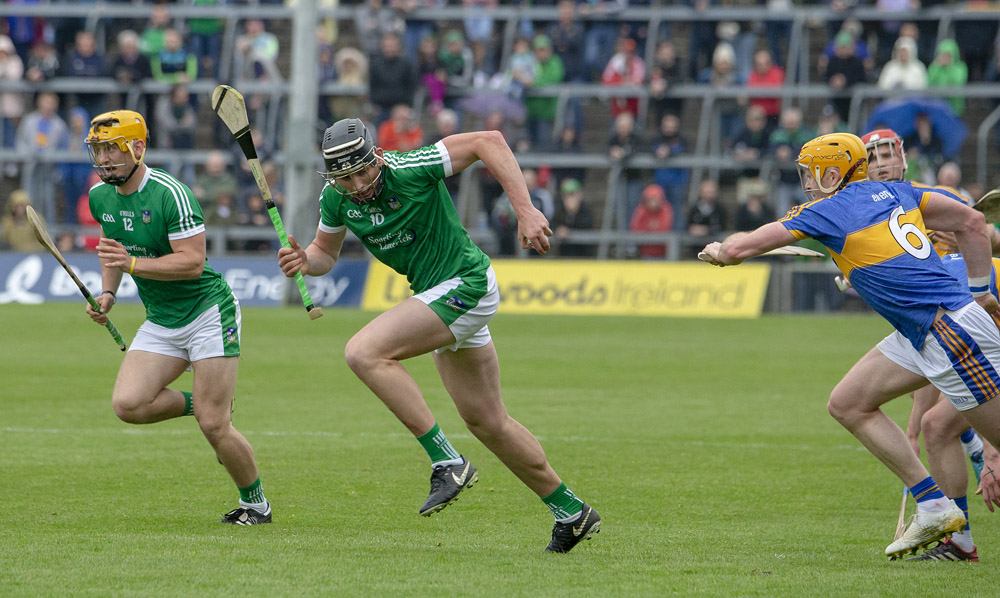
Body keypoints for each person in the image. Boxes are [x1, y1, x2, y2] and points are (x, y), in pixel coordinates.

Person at [276, 118, 600, 552]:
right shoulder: (336, 199)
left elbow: (489, 141)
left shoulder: (411, 167)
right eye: (346, 177)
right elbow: (324, 253)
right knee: (488, 422)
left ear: (376, 157)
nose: (358, 185)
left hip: (466, 283)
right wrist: (304, 261)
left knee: (364, 352)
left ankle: (447, 460)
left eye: (363, 171)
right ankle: (572, 512)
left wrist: (524, 209)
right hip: (438, 296)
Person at [700, 132, 1000, 559]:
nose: (807, 182)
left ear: (831, 174)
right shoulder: (901, 191)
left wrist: (720, 250)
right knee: (848, 403)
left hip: (948, 332)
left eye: (811, 173)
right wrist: (980, 292)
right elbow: (971, 222)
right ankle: (934, 506)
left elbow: (740, 247)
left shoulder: (826, 210)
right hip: (926, 329)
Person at [83, 110, 271, 525]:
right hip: (162, 318)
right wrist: (108, 293)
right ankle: (204, 404)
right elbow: (111, 246)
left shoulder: (171, 194)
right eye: (98, 150)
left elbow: (192, 262)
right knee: (129, 404)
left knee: (214, 425)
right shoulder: (100, 197)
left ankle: (256, 506)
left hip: (207, 311)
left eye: (111, 149)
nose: (104, 159)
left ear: (137, 147)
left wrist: (132, 265)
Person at [862, 128, 1000, 561]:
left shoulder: (932, 204)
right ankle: (959, 540)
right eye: (873, 157)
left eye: (888, 154)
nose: (883, 164)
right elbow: (935, 361)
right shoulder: (871, 216)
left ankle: (981, 452)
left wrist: (992, 449)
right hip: (961, 348)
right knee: (937, 426)